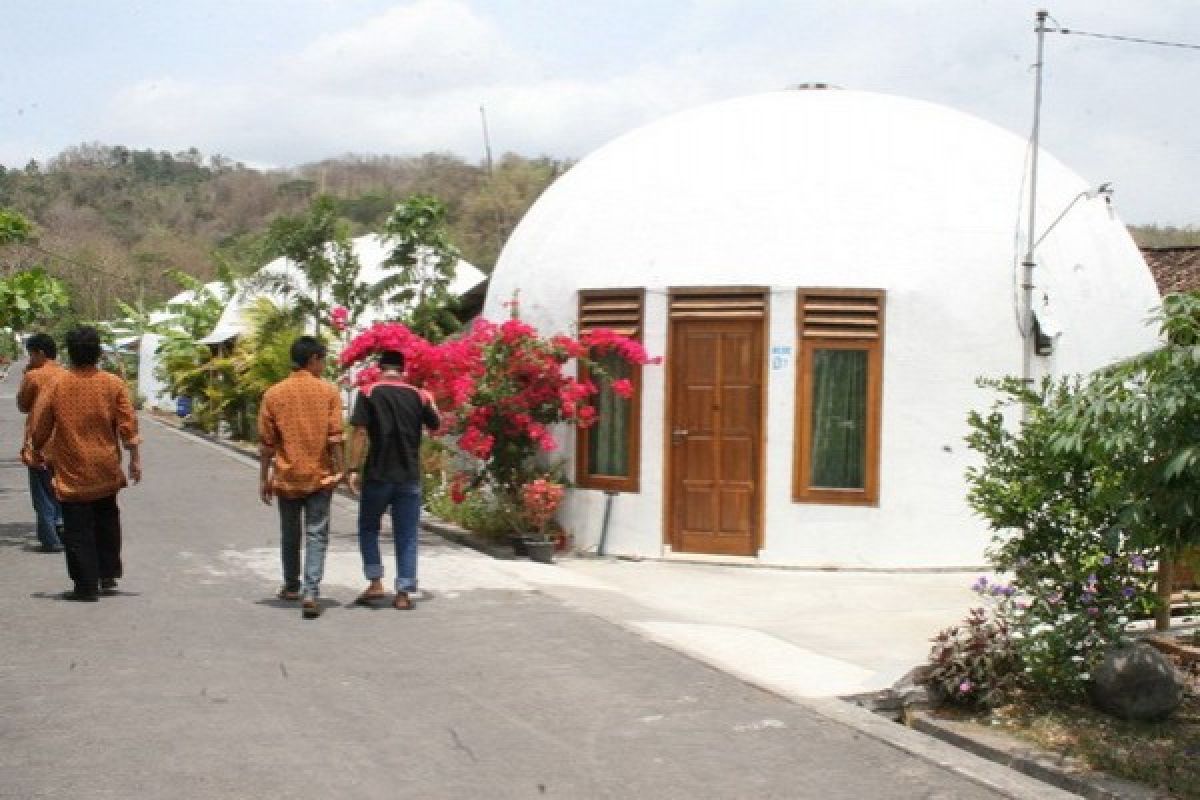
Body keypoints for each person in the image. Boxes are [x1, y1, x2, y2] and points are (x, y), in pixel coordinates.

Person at [29, 326, 142, 602]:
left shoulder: (57, 384)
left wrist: (37, 448)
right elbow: (128, 423)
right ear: (98, 351)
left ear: (70, 352)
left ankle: (86, 585)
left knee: (77, 526)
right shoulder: (113, 383)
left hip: (72, 467)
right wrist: (135, 459)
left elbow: (41, 425)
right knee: (106, 517)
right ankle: (107, 571)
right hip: (105, 464)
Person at [257, 336, 344, 619]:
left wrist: (263, 478)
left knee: (290, 533)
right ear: (314, 359)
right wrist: (341, 469)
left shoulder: (273, 394)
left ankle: (292, 585)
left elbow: (267, 444)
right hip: (320, 476)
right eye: (323, 359)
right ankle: (311, 591)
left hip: (287, 475)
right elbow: (335, 437)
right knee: (316, 534)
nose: (324, 365)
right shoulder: (329, 392)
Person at [346, 349, 440, 611]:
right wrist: (430, 401)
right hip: (408, 475)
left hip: (378, 473)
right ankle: (404, 593)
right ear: (403, 370)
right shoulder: (418, 395)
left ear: (379, 368)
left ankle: (375, 582)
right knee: (407, 534)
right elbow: (436, 425)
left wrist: (352, 468)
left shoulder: (368, 392)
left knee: (368, 527)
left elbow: (361, 432)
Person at [17, 333, 65, 553]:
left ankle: (50, 538)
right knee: (61, 487)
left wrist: (27, 374)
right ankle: (62, 527)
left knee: (42, 492)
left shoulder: (34, 376)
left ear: (40, 353)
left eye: (31, 354)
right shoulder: (67, 375)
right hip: (65, 442)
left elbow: (23, 405)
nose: (30, 359)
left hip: (40, 442)